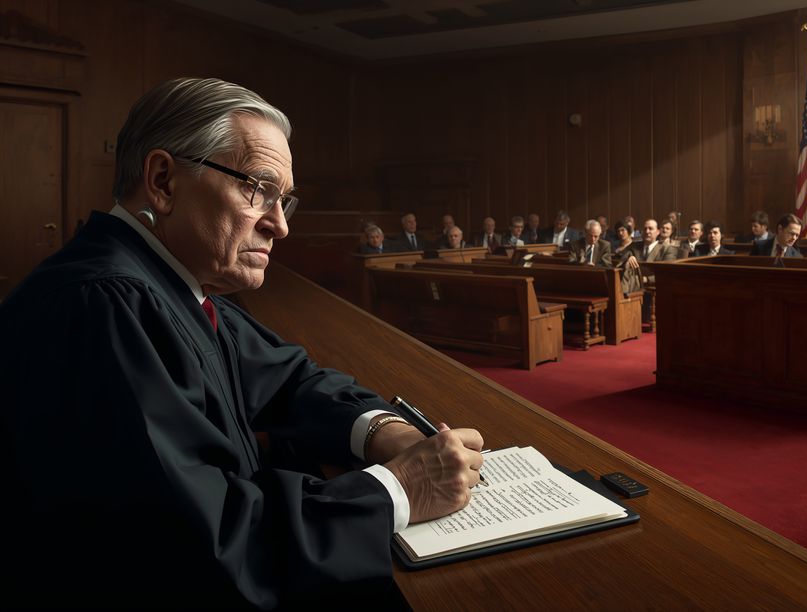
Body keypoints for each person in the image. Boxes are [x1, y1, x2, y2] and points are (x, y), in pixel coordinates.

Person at [0, 78, 485, 609]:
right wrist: (398, 489)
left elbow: (287, 379)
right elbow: (206, 547)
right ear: (163, 181)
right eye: (259, 189)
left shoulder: (171, 283)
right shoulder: (105, 307)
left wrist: (382, 432)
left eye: (284, 201)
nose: (279, 225)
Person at [610, 220, 641, 294]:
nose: (620, 233)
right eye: (618, 231)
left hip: (629, 278)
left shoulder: (635, 246)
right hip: (614, 274)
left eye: (623, 230)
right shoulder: (614, 247)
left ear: (628, 231)